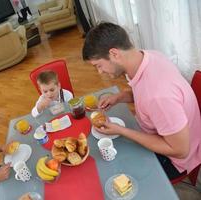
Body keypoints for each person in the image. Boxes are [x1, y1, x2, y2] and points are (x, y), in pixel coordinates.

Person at [82, 22, 201, 180]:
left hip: (176, 160)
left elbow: (180, 150)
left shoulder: (158, 95)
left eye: (99, 65)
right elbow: (142, 93)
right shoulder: (147, 56)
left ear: (114, 53)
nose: (100, 71)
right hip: (165, 134)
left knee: (113, 171)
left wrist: (121, 130)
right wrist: (119, 97)